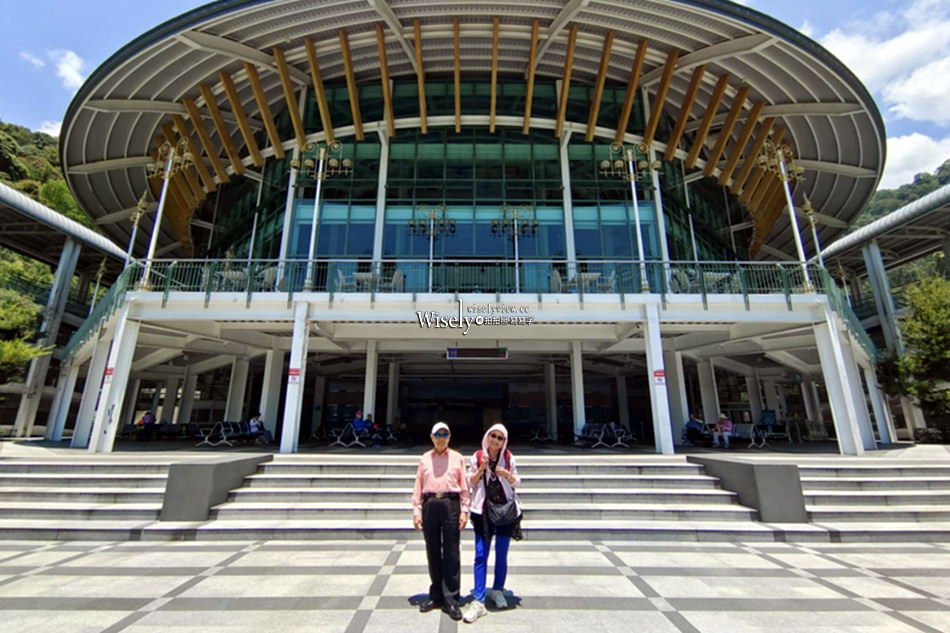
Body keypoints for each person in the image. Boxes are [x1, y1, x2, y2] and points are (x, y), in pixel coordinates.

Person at [463, 423, 521, 623]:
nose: (495, 440)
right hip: (483, 512)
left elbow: (517, 483)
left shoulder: (508, 457)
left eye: (500, 438)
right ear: (487, 437)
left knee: (502, 553)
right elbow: (470, 481)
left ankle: (498, 590)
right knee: (481, 554)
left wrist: (506, 474)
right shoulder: (478, 456)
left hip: (504, 511)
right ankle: (478, 599)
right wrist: (482, 468)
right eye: (493, 436)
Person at [412, 422, 470, 621]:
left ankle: (452, 599)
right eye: (438, 434)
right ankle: (436, 595)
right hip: (430, 504)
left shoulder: (458, 459)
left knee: (452, 552)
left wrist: (465, 511)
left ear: (450, 437)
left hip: (450, 503)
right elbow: (418, 486)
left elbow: (464, 488)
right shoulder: (424, 459)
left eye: (445, 434)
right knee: (433, 550)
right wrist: (416, 511)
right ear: (431, 437)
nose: (441, 437)